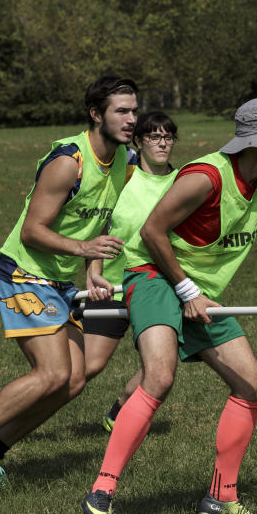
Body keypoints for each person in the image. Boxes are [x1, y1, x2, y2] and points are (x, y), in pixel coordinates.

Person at [80, 97, 257, 514]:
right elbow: (151, 231)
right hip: (153, 276)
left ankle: (221, 497)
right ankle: (102, 491)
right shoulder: (205, 177)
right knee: (160, 376)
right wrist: (186, 290)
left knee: (253, 384)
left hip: (197, 289)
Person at [0, 76, 138, 496]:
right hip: (21, 272)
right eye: (121, 111)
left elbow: (102, 224)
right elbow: (33, 230)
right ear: (97, 114)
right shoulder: (68, 161)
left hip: (55, 278)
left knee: (74, 379)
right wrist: (82, 246)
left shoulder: (123, 162)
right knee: (52, 372)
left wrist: (93, 267)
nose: (131, 119)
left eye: (134, 110)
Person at [81, 111, 180, 432]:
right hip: (112, 284)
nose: (162, 143)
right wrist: (93, 271)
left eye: (168, 137)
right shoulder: (122, 179)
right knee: (87, 366)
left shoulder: (183, 183)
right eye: (154, 136)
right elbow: (96, 227)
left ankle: (119, 412)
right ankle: (29, 404)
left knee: (161, 365)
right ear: (138, 141)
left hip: (156, 286)